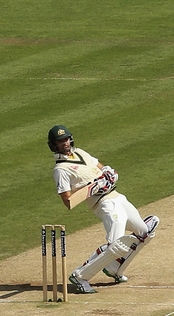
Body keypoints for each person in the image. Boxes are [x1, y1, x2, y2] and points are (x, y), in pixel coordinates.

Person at [48, 125, 160, 294]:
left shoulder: (81, 153)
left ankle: (115, 267)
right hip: (104, 204)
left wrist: (109, 172)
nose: (64, 143)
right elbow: (68, 201)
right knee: (116, 246)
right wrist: (94, 187)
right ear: (53, 145)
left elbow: (101, 168)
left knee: (145, 232)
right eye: (59, 141)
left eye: (66, 139)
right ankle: (80, 276)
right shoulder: (60, 170)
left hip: (117, 197)